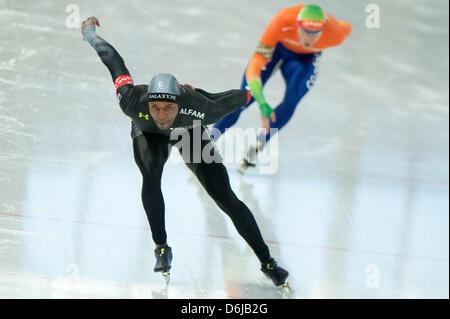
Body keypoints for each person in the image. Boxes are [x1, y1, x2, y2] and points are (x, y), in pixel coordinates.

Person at [81, 17, 289, 287]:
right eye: (155, 107)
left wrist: (258, 98)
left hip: (188, 131)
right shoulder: (132, 101)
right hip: (148, 135)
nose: (162, 114)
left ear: (180, 102)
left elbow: (233, 97)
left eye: (168, 108)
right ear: (148, 102)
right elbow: (112, 60)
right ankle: (162, 247)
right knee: (151, 173)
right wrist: (90, 34)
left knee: (226, 198)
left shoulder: (202, 109)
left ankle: (267, 262)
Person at [213, 4, 352, 170]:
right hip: (277, 50)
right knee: (246, 96)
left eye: (316, 34)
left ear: (323, 30)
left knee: (293, 98)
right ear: (297, 25)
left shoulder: (335, 34)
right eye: (306, 32)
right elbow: (255, 65)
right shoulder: (282, 20)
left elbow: (346, 27)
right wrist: (262, 103)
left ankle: (260, 142)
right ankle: (209, 138)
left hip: (305, 60)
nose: (310, 39)